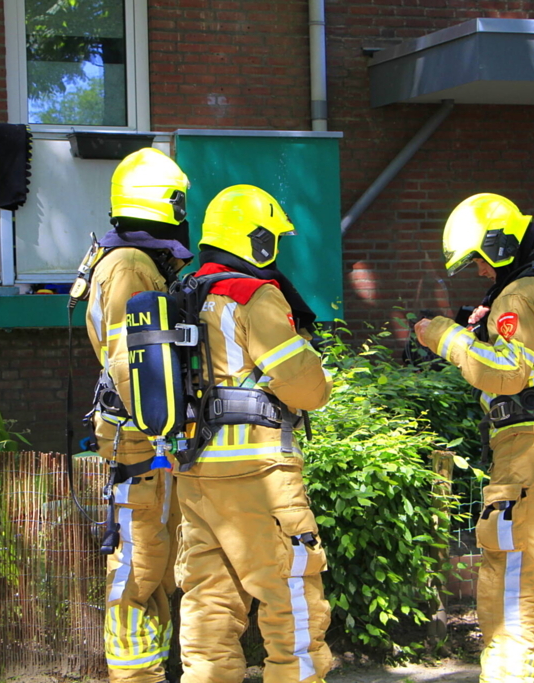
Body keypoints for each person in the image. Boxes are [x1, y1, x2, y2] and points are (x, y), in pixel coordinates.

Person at [415, 193, 534, 683]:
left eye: (480, 261)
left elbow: (506, 374)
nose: (480, 273)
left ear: (499, 246)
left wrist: (442, 334)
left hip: (530, 455)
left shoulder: (517, 294)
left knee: (509, 582)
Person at [174, 184, 333, 683]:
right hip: (260, 473)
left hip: (195, 473)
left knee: (209, 612)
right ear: (258, 240)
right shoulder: (253, 294)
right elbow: (307, 388)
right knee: (292, 603)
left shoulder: (182, 294)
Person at [82, 147, 192, 683]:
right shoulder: (129, 266)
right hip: (142, 438)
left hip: (151, 438)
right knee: (139, 566)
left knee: (161, 565)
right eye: (177, 200)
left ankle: (155, 672)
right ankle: (134, 676)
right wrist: (168, 427)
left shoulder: (138, 260)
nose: (182, 210)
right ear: (158, 202)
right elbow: (133, 360)